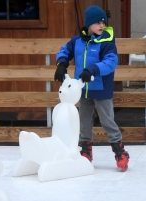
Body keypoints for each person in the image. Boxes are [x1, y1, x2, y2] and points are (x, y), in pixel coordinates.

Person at [54, 5, 129, 171]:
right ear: (88, 24)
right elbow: (64, 50)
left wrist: (93, 69)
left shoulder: (106, 42)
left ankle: (119, 151)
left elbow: (110, 62)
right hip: (82, 90)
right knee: (84, 122)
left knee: (107, 121)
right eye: (97, 22)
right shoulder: (77, 41)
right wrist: (62, 64)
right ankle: (86, 151)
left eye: (103, 21)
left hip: (101, 89)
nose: (101, 25)